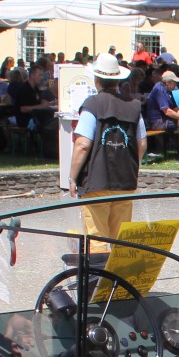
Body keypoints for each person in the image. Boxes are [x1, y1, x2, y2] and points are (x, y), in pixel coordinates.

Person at [69, 54, 145, 243]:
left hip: (96, 181)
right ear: (118, 79)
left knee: (96, 238)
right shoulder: (134, 106)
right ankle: (117, 272)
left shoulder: (92, 104)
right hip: (125, 181)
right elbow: (142, 143)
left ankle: (98, 273)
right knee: (120, 239)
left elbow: (82, 144)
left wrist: (72, 177)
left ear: (96, 79)